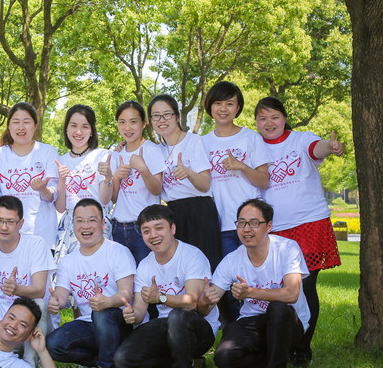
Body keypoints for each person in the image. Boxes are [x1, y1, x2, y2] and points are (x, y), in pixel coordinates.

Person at [254, 96, 344, 367]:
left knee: (304, 287)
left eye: (274, 117)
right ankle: (280, 343)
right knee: (278, 288)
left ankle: (303, 348)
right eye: (262, 118)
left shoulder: (301, 139)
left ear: (284, 118)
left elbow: (317, 149)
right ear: (256, 122)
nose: (269, 123)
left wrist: (331, 146)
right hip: (274, 230)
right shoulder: (254, 145)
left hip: (309, 224)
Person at [199, 199, 310, 368]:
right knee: (224, 359)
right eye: (241, 223)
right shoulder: (232, 260)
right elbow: (208, 303)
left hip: (287, 323)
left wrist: (251, 292)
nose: (246, 229)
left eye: (254, 223)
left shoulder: (287, 248)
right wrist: (205, 301)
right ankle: (274, 356)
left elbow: (291, 293)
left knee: (278, 307)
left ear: (269, 226)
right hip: (252, 322)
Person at [112, 205, 219, 368]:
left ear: (173, 229)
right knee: (123, 360)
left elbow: (192, 302)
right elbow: (140, 311)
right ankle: (184, 361)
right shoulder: (145, 266)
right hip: (164, 326)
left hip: (197, 328)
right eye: (146, 231)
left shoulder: (192, 256)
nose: (153, 235)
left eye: (159, 228)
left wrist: (160, 297)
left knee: (177, 315)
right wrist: (132, 315)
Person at [46, 198, 136, 368]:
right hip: (89, 324)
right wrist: (56, 302)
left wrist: (108, 301)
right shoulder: (68, 262)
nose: (85, 226)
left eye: (91, 220)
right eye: (79, 221)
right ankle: (111, 362)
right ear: (73, 225)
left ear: (103, 224)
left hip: (118, 323)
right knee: (54, 344)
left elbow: (126, 294)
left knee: (101, 313)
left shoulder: (117, 252)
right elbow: (61, 295)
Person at [0, 196, 55, 367]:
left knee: (38, 303)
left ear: (21, 223)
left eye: (10, 222)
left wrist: (17, 289)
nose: (4, 227)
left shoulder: (35, 245)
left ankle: (30, 362)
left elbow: (39, 290)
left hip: (37, 324)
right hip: (4, 326)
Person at [148, 94, 222, 270]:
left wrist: (188, 173)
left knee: (205, 268)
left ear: (176, 116)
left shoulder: (193, 141)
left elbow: (205, 184)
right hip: (172, 214)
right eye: (156, 116)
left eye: (167, 114)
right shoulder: (156, 150)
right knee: (180, 269)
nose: (161, 120)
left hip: (199, 212)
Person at [200, 81, 271, 258]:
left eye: (229, 104)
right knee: (230, 274)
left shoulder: (251, 138)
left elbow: (264, 181)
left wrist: (242, 166)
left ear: (238, 108)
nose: (223, 109)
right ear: (210, 106)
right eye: (218, 103)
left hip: (252, 223)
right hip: (221, 225)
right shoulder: (202, 143)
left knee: (257, 271)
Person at [0, 102, 59, 250]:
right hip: (8, 236)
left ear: (35, 125)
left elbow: (53, 195)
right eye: (16, 122)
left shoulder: (48, 152)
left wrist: (43, 190)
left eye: (26, 122)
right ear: (9, 126)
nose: (21, 127)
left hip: (42, 235)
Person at [53, 104, 113, 259]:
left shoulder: (103, 156)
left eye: (85, 127)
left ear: (92, 131)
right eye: (73, 126)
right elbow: (60, 207)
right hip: (70, 224)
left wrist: (108, 177)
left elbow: (105, 200)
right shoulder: (60, 161)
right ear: (66, 129)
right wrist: (61, 180)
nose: (78, 132)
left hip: (97, 222)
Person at [110, 100, 165, 263]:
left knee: (146, 274)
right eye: (122, 122)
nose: (127, 128)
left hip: (144, 228)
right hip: (118, 227)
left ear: (143, 123)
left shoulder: (152, 150)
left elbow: (157, 190)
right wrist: (116, 177)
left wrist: (143, 169)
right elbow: (113, 199)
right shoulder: (116, 154)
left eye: (133, 122)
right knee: (123, 276)